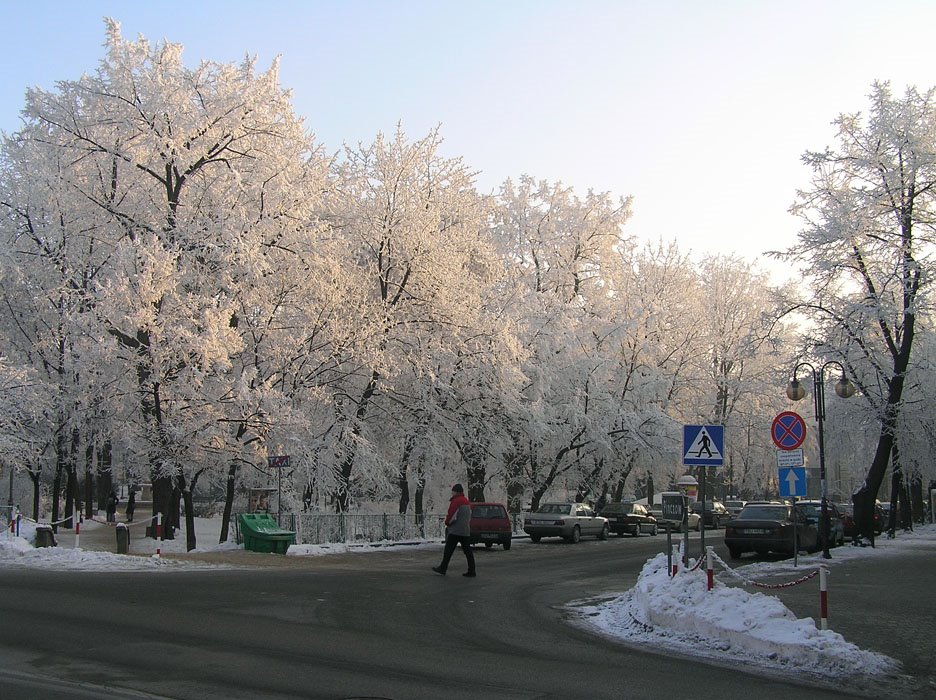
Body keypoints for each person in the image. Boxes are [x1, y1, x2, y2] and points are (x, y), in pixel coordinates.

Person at [432, 483, 476, 578]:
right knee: (468, 552)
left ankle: (443, 568)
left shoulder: (456, 501)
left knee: (448, 550)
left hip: (455, 530)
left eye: (453, 491)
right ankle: (472, 570)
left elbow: (452, 515)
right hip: (465, 530)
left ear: (456, 491)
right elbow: (469, 515)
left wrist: (447, 523)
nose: (452, 493)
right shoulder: (466, 501)